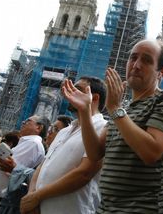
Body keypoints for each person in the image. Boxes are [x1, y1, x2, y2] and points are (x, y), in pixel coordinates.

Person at [62, 39, 163, 213]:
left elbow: (152, 152)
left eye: (147, 60)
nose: (136, 65)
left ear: (161, 73)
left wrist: (115, 109)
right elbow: (95, 152)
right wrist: (84, 110)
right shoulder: (123, 109)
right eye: (133, 58)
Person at [20, 77, 106, 214]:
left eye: (77, 89)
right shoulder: (64, 131)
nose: (70, 92)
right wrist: (31, 196)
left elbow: (84, 173)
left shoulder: (103, 128)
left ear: (94, 98)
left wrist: (38, 196)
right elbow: (43, 165)